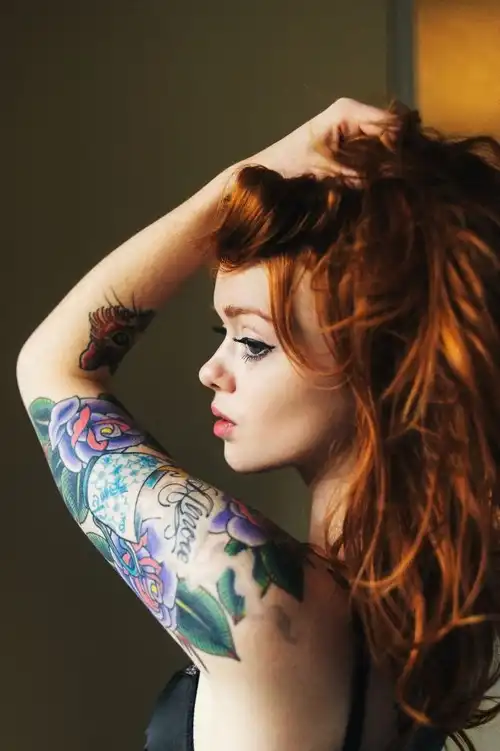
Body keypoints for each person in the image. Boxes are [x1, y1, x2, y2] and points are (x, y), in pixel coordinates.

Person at [16, 96, 500, 751]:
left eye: (252, 342)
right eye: (222, 333)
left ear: (381, 367)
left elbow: (54, 368)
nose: (210, 371)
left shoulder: (260, 595)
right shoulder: (434, 609)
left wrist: (235, 183)